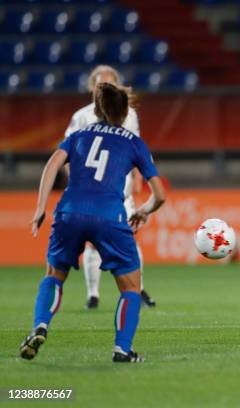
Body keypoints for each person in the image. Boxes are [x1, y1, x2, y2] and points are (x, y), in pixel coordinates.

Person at [20, 83, 166, 362]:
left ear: (97, 109)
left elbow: (52, 165)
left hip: (69, 211)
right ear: (125, 113)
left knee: (54, 275)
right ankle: (122, 349)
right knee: (131, 287)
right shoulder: (133, 142)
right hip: (110, 215)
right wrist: (144, 210)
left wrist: (40, 208)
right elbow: (160, 195)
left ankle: (40, 325)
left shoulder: (78, 134)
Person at [65, 65, 157, 309]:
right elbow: (66, 154)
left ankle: (138, 288)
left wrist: (137, 177)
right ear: (91, 88)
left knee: (130, 240)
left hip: (121, 189)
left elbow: (135, 148)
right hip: (92, 192)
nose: (104, 88)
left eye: (110, 84)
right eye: (100, 84)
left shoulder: (130, 115)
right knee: (93, 242)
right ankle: (93, 294)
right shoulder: (82, 116)